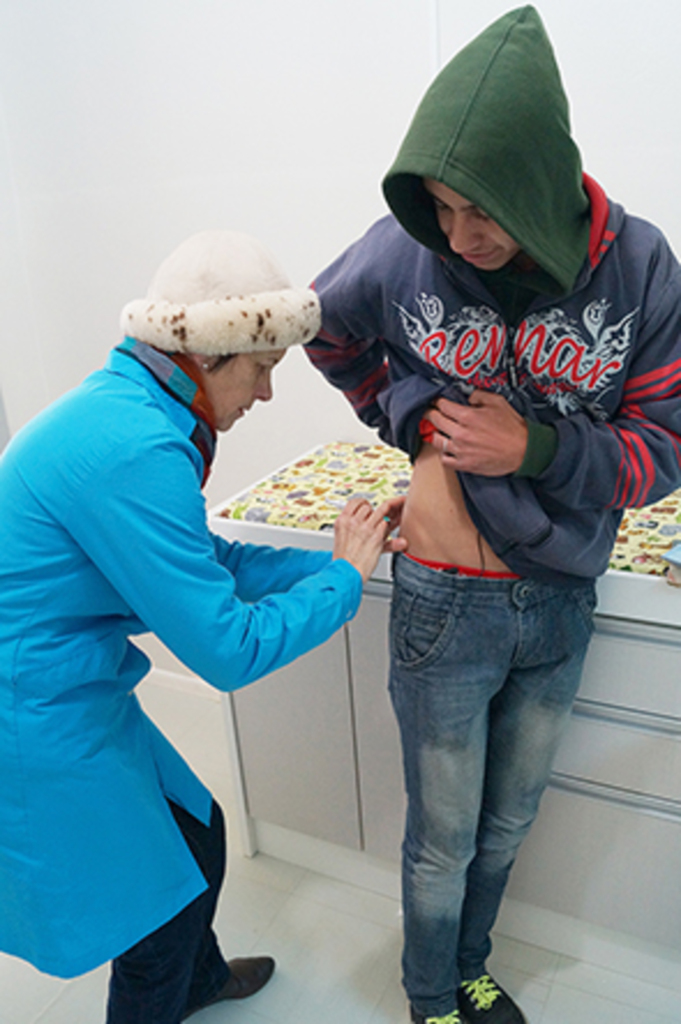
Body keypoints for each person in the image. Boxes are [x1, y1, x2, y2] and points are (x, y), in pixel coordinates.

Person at [305, 7, 681, 1024]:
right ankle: (431, 995)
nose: (458, 236)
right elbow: (325, 329)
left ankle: (470, 964)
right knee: (444, 832)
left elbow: (666, 450)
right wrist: (410, 407)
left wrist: (541, 447)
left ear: (538, 182)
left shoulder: (641, 266)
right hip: (443, 601)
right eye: (437, 206)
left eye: (481, 210)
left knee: (508, 821)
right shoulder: (405, 251)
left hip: (560, 596)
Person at [0, 229, 406, 1024]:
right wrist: (342, 583)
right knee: (151, 920)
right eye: (261, 369)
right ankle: (169, 989)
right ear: (212, 354)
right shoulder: (135, 446)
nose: (264, 394)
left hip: (66, 677)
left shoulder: (137, 405)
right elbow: (228, 649)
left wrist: (333, 556)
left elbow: (206, 557)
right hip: (27, 706)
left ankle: (199, 983)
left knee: (199, 828)